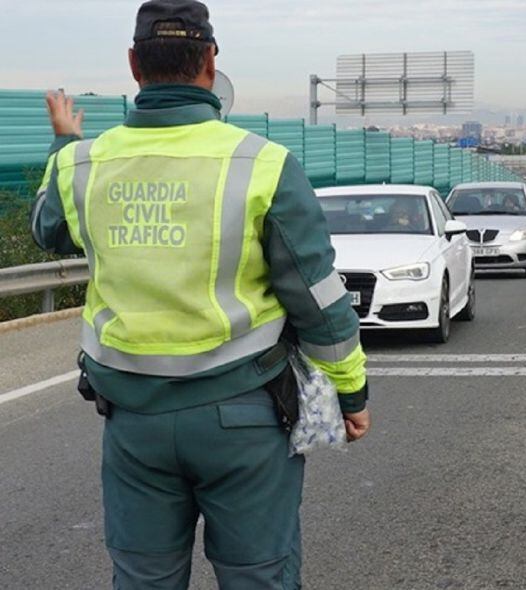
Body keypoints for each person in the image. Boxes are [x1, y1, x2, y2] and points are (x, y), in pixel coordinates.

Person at [30, 1, 369, 587]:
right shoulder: (262, 163)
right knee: (259, 576)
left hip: (133, 421)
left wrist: (65, 143)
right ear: (211, 64)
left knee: (143, 577)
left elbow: (47, 229)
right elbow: (316, 297)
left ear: (135, 65)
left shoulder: (81, 164)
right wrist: (350, 389)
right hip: (244, 416)